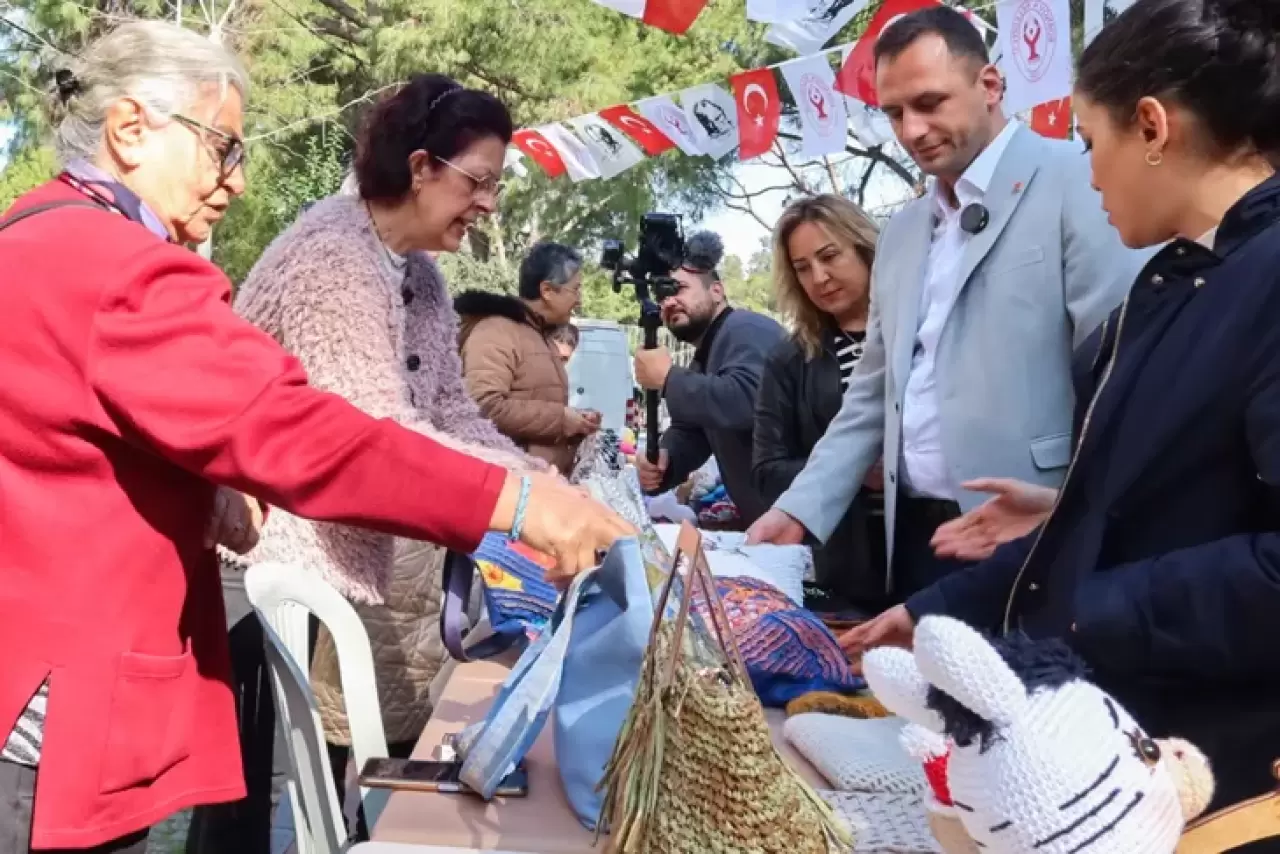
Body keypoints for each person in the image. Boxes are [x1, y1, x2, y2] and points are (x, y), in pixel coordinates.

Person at [0, 22, 630, 853]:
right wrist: (516, 501)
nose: (238, 176)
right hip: (61, 701)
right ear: (128, 130)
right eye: (222, 146)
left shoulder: (41, 234)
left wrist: (208, 478)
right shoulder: (115, 264)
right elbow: (306, 432)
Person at [846, 0, 1280, 817]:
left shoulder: (1260, 282)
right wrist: (943, 602)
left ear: (1151, 127)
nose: (1086, 173)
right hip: (1128, 743)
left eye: (1090, 141)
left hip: (1219, 774)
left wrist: (1092, 604)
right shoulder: (1182, 287)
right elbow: (1177, 505)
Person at [228, 74, 542, 847]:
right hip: (289, 556)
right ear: (421, 166)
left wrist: (549, 486)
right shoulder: (332, 256)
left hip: (356, 556)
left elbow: (452, 414)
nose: (489, 205)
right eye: (480, 182)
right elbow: (379, 431)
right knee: (312, 778)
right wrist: (532, 510)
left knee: (357, 762)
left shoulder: (421, 278)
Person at [746, 5, 1142, 601]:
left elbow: (1124, 378)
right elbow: (872, 397)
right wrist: (800, 508)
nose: (911, 131)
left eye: (930, 103)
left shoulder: (1076, 183)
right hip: (913, 542)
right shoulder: (903, 232)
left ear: (989, 85)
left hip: (1037, 535)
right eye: (894, 113)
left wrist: (1081, 514)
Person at [752, 195, 887, 616]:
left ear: (864, 248)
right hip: (846, 573)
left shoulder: (924, 330)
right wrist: (853, 473)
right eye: (803, 267)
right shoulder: (789, 358)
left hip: (937, 554)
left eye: (830, 256)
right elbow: (766, 470)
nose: (820, 277)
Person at [633, 231, 786, 527]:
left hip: (802, 523)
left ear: (717, 291)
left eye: (678, 289)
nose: (669, 302)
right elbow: (694, 432)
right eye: (662, 295)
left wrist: (667, 379)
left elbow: (746, 401)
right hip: (772, 521)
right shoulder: (708, 352)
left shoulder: (746, 328)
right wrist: (666, 460)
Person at [456, 241, 599, 473]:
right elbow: (483, 405)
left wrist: (576, 423)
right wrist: (561, 419)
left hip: (538, 484)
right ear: (547, 291)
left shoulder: (538, 334)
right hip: (509, 485)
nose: (579, 300)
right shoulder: (497, 330)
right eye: (575, 289)